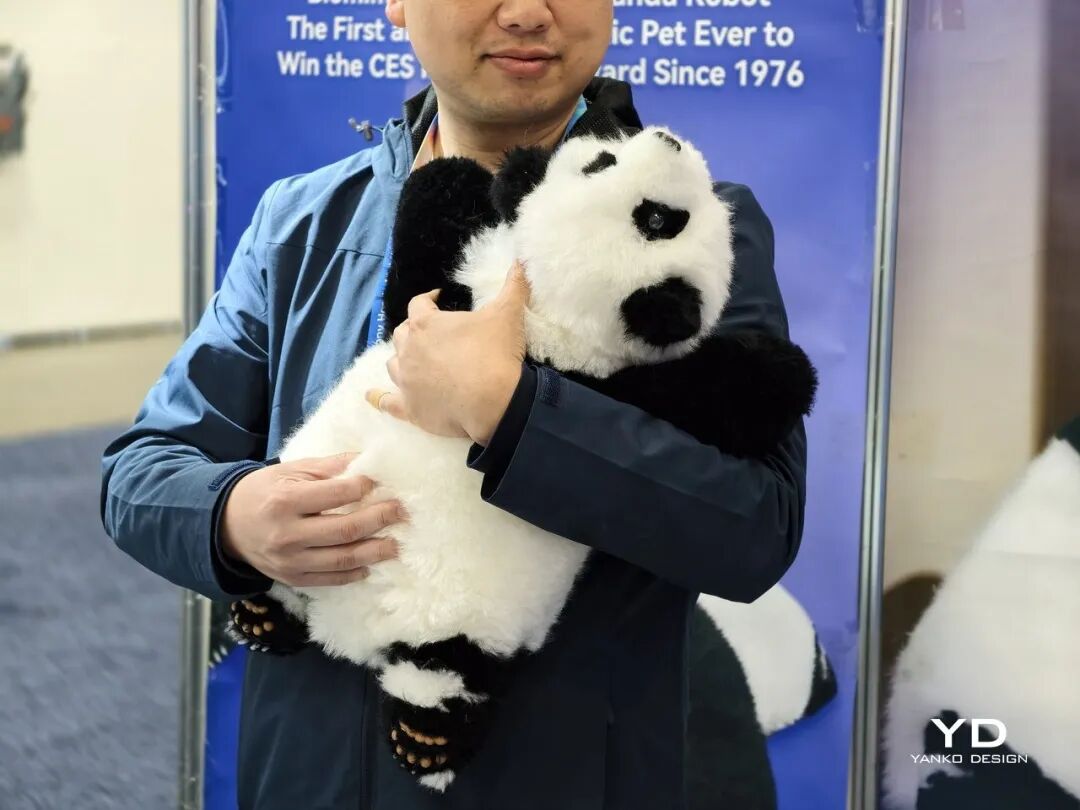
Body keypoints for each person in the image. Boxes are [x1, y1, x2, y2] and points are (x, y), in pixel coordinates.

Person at [100, 0, 807, 807]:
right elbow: (141, 471)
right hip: (311, 771)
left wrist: (513, 414)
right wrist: (232, 517)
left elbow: (756, 528)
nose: (528, 13)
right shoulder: (304, 221)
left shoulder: (690, 231)